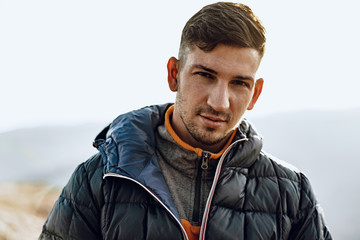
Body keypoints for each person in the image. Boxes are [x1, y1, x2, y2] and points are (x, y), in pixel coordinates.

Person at [39, 2, 332, 239]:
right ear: (173, 74)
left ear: (255, 93)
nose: (220, 102)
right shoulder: (100, 180)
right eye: (205, 75)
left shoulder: (291, 193)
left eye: (239, 83)